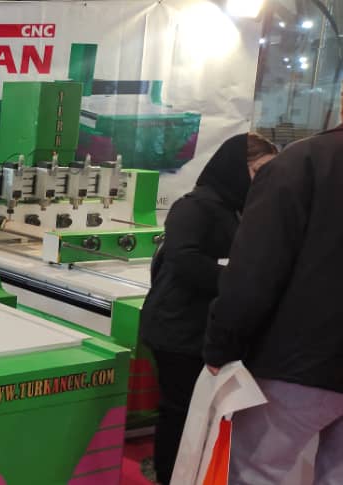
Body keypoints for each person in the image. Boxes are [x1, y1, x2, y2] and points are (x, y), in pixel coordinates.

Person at [204, 126, 343, 484]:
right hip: (309, 362)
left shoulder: (302, 162)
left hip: (299, 363)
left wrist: (221, 347)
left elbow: (255, 270)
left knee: (257, 472)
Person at [138, 133, 277, 484]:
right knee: (179, 410)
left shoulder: (238, 209)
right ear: (236, 166)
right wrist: (239, 278)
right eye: (258, 170)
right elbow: (184, 261)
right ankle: (169, 473)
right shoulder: (195, 206)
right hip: (177, 328)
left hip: (204, 327)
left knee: (198, 411)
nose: (263, 180)